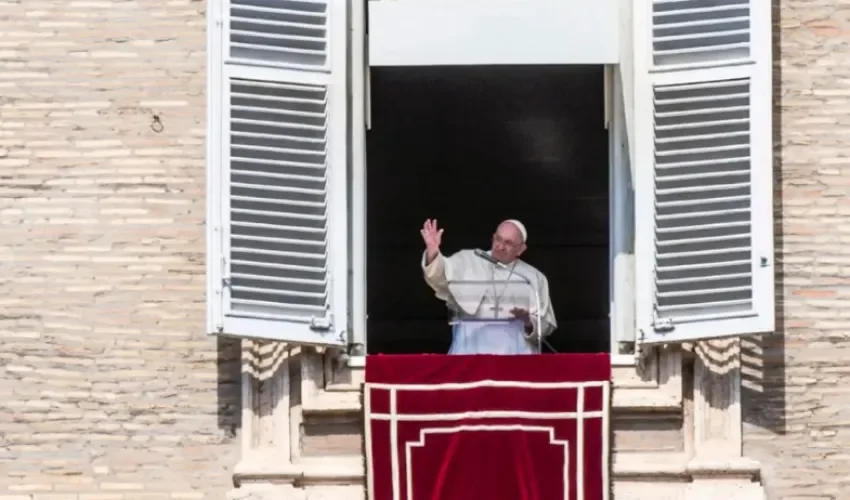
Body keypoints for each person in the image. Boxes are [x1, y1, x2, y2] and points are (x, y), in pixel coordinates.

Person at [420, 218, 557, 355]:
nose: (500, 246)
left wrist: (528, 321)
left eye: (508, 243)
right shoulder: (468, 259)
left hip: (515, 359)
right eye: (498, 239)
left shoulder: (533, 278)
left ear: (521, 249)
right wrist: (433, 251)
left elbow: (546, 325)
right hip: (469, 356)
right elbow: (438, 278)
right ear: (493, 237)